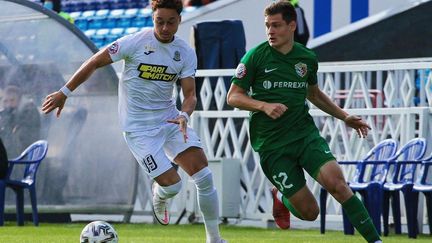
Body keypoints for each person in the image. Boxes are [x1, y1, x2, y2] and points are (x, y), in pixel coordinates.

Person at [41, 1, 226, 242]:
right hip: (138, 129)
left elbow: (190, 94)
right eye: (160, 21)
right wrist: (65, 92)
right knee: (174, 187)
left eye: (171, 22)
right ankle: (161, 194)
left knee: (204, 176)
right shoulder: (135, 42)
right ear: (152, 18)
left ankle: (215, 239)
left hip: (170, 120)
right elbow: (95, 61)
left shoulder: (185, 52)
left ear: (180, 20)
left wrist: (184, 115)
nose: (165, 27)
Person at [227, 1, 381, 243]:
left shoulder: (306, 58)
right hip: (272, 145)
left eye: (276, 25)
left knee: (338, 185)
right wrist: (263, 106)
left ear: (291, 25)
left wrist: (345, 116)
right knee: (310, 213)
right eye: (267, 26)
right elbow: (233, 96)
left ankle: (376, 240)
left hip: (304, 135)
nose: (270, 31)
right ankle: (281, 197)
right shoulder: (255, 56)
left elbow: (314, 94)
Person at [0, 85, 41, 158]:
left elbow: (20, 139)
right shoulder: (8, 113)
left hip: (26, 154)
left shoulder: (29, 110)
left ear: (19, 100)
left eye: (12, 100)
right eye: (5, 101)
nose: (8, 104)